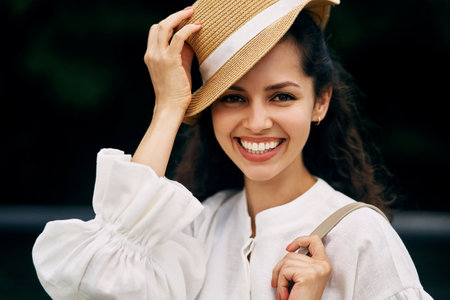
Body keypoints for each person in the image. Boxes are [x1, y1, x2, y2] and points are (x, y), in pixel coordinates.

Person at [32, 0, 433, 299]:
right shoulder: (199, 225)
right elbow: (97, 278)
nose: (257, 122)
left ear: (320, 102)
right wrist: (169, 106)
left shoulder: (360, 235)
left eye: (281, 97)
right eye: (232, 98)